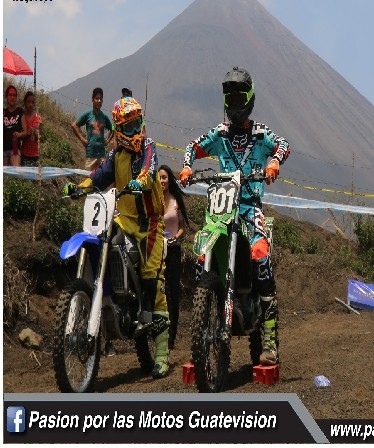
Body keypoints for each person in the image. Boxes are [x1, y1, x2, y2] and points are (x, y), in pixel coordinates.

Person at [179, 66, 290, 366]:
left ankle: (269, 340)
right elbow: (191, 147)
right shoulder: (220, 133)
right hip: (220, 209)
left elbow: (283, 145)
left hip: (249, 207)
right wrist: (188, 167)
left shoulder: (260, 133)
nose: (235, 101)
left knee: (261, 255)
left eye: (240, 95)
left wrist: (274, 163)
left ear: (250, 98)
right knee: (203, 252)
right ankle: (204, 319)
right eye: (230, 96)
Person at [62, 95, 170, 378]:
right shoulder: (115, 156)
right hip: (122, 219)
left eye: (137, 124)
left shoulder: (148, 147)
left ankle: (161, 354)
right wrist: (79, 187)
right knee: (107, 251)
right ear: (120, 130)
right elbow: (98, 176)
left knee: (152, 282)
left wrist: (140, 181)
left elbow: (149, 170)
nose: (135, 131)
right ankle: (113, 301)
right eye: (129, 127)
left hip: (150, 226)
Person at [158, 164, 189, 350]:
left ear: (170, 180)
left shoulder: (176, 201)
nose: (162, 181)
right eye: (159, 178)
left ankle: (171, 336)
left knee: (172, 292)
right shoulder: (153, 199)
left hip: (173, 250)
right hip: (156, 250)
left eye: (164, 178)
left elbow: (183, 226)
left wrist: (174, 238)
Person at [71, 87, 114, 171]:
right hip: (90, 155)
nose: (99, 101)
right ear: (92, 100)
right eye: (97, 98)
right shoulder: (88, 114)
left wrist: (107, 141)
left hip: (102, 155)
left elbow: (113, 129)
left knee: (102, 181)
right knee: (89, 180)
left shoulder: (104, 116)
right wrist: (82, 139)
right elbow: (74, 125)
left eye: (100, 99)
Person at [3, 84, 27, 166]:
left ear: (16, 97)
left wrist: (19, 134)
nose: (12, 97)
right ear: (6, 97)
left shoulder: (20, 111)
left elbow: (25, 131)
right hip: (3, 149)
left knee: (15, 172)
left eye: (14, 95)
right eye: (10, 95)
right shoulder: (3, 112)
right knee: (3, 176)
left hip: (15, 149)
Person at [20, 91, 43, 167]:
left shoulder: (38, 118)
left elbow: (41, 137)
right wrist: (27, 133)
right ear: (25, 102)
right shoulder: (22, 117)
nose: (31, 104)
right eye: (28, 102)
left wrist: (36, 133)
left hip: (35, 155)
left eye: (33, 102)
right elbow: (20, 136)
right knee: (24, 178)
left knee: (35, 178)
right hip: (24, 154)